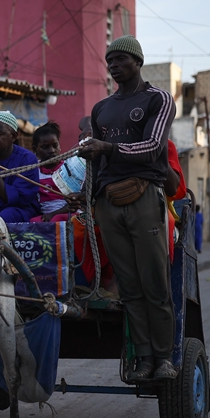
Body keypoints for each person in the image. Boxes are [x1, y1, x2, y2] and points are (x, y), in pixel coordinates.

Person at [77, 34, 177, 381]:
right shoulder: (101, 108)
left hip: (145, 195)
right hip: (108, 202)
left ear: (138, 61)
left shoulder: (158, 99)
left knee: (155, 284)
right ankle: (144, 358)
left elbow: (152, 147)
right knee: (129, 287)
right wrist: (88, 198)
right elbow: (95, 164)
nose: (114, 66)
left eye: (121, 59)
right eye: (110, 61)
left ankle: (165, 358)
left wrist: (106, 147)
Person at [28, 121, 86, 222]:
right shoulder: (33, 172)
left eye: (55, 145)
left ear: (59, 146)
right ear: (35, 149)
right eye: (45, 147)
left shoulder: (70, 167)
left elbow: (74, 205)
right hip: (46, 216)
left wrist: (53, 214)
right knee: (32, 222)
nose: (52, 151)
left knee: (58, 219)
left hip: (70, 213)